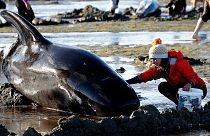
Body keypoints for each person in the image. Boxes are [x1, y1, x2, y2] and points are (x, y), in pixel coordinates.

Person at [126, 38, 207, 105]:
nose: (153, 62)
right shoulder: (158, 68)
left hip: (198, 88)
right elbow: (143, 77)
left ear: (163, 58)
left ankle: (192, 108)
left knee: (187, 96)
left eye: (155, 59)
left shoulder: (180, 63)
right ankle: (180, 105)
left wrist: (189, 84)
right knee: (162, 86)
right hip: (181, 90)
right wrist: (126, 82)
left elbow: (193, 77)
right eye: (151, 59)